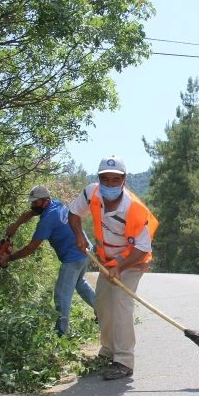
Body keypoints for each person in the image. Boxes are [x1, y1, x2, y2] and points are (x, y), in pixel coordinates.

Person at [68, 156, 158, 380]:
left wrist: (120, 266)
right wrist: (79, 235)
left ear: (124, 180)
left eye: (115, 180)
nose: (109, 184)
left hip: (132, 261)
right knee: (102, 304)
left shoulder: (135, 209)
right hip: (107, 261)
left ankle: (124, 360)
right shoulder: (91, 193)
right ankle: (108, 350)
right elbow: (74, 213)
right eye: (105, 179)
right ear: (98, 179)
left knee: (120, 304)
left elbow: (142, 248)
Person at [0, 185, 97, 336]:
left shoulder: (48, 219)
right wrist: (15, 225)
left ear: (45, 201)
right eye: (32, 202)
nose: (33, 205)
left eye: (35, 202)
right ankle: (104, 312)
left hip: (73, 256)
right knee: (80, 284)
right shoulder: (54, 204)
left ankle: (61, 334)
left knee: (61, 295)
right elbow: (31, 213)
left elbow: (30, 248)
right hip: (84, 251)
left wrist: (9, 258)